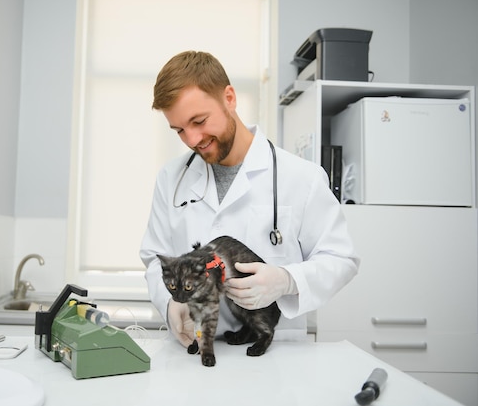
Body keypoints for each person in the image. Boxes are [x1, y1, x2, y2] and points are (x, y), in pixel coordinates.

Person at [139, 51, 359, 346]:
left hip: (275, 360)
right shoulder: (172, 178)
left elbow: (341, 259)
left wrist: (287, 280)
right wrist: (170, 304)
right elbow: (155, 258)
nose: (192, 140)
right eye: (179, 129)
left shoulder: (300, 177)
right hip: (193, 354)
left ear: (229, 98)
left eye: (199, 121)